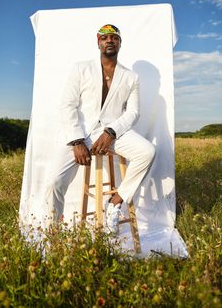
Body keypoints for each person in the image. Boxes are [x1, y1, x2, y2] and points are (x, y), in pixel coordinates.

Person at [51, 24, 155, 233]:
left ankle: (115, 203)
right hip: (81, 133)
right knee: (55, 182)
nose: (110, 40)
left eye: (114, 38)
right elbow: (67, 105)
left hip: (113, 132)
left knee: (147, 152)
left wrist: (111, 132)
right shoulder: (81, 68)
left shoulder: (130, 77)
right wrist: (77, 141)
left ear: (119, 43)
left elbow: (133, 112)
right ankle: (53, 231)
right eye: (105, 37)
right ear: (98, 42)